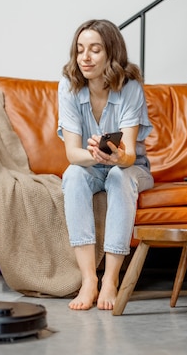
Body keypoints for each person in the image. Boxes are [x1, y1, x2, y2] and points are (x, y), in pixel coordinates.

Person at [57, 19, 154, 310]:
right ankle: (89, 280)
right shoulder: (69, 86)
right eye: (80, 50)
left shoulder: (130, 86)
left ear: (111, 53)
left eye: (95, 50)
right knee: (73, 175)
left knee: (117, 177)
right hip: (89, 165)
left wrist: (115, 157)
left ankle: (111, 279)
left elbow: (127, 156)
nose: (85, 58)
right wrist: (100, 155)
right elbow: (73, 154)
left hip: (130, 166)